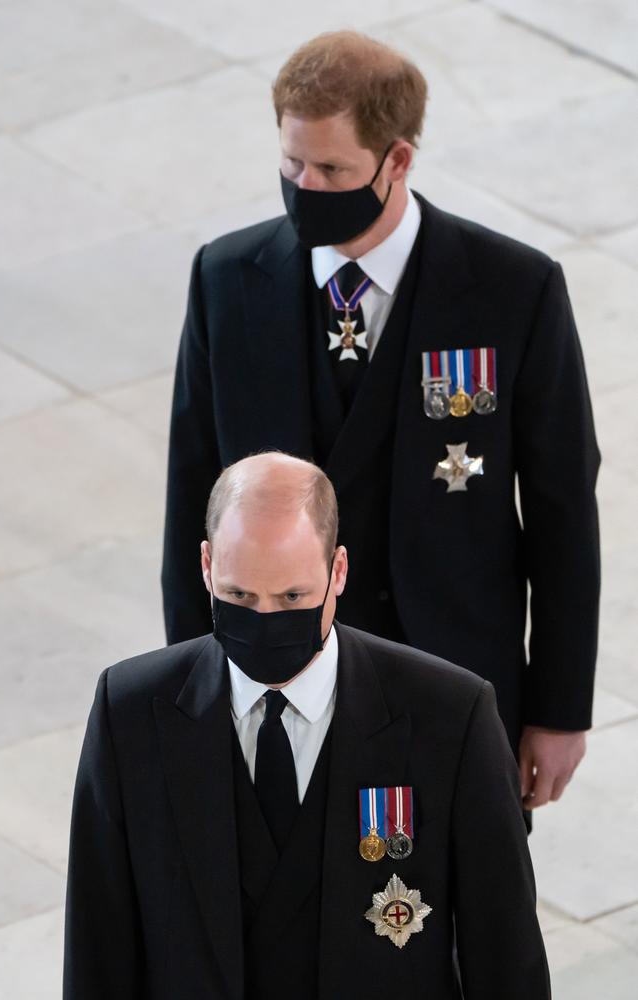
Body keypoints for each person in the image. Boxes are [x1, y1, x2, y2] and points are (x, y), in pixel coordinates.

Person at [161, 31, 600, 811]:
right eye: (292, 164)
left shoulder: (512, 290)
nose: (305, 186)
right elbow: (191, 496)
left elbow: (564, 511)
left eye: (332, 169)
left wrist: (559, 711)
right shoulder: (227, 282)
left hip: (455, 686)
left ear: (396, 161)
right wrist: (192, 691)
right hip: (276, 687)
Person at [65, 453, 550, 999]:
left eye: (292, 597)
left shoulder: (451, 717)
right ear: (206, 566)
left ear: (338, 571)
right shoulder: (130, 714)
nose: (265, 620)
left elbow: (506, 956)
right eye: (239, 596)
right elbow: (97, 948)